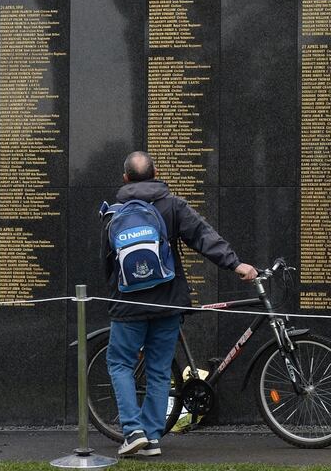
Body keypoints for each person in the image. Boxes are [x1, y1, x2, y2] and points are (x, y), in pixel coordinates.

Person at [102, 151, 257, 457]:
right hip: (168, 302)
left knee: (120, 363)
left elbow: (107, 263)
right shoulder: (172, 205)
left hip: (128, 305)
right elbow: (202, 236)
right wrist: (235, 264)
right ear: (156, 173)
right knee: (160, 370)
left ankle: (132, 432)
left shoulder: (114, 213)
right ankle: (151, 437)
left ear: (125, 179)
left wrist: (116, 295)